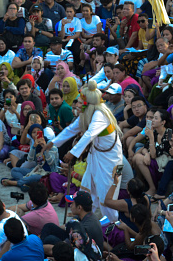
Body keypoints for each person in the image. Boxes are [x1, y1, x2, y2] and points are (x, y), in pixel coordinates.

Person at [44, 80, 122, 220]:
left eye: (80, 102)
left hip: (110, 161)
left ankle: (113, 224)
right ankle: (85, 218)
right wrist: (53, 143)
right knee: (87, 187)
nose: (77, 105)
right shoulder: (87, 114)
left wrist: (72, 153)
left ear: (88, 104)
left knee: (106, 195)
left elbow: (89, 134)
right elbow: (71, 129)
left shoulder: (100, 115)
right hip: (95, 155)